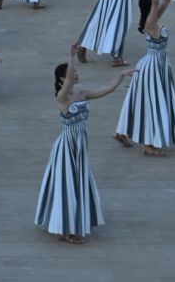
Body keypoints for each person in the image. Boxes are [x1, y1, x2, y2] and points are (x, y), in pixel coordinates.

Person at [35, 48, 131, 244]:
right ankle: (66, 230)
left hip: (79, 145)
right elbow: (70, 80)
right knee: (68, 185)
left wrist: (120, 77)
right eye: (72, 73)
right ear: (62, 80)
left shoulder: (81, 93)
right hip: (67, 147)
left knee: (77, 185)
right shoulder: (62, 97)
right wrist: (70, 56)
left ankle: (68, 226)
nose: (76, 75)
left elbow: (105, 90)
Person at [113, 0, 175, 156]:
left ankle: (122, 132)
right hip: (152, 68)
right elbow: (156, 3)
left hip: (157, 65)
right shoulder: (150, 24)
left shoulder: (154, 22)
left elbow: (165, 1)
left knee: (138, 101)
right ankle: (148, 144)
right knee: (151, 103)